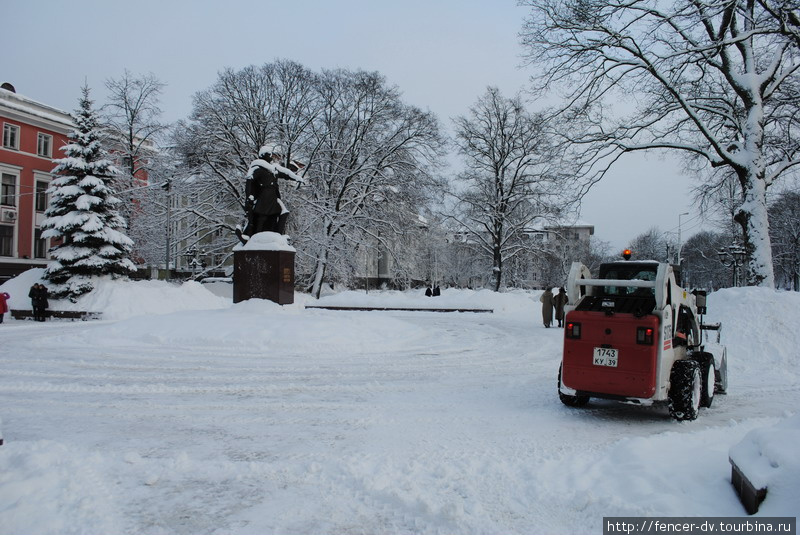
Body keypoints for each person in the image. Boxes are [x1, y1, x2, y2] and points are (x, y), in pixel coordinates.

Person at [237, 146, 304, 244]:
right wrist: (249, 197)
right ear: (263, 156)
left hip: (273, 196)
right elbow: (249, 182)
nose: (271, 157)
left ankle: (278, 237)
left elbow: (286, 173)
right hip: (264, 196)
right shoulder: (257, 168)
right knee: (262, 217)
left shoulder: (273, 168)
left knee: (283, 213)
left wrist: (297, 178)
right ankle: (255, 238)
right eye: (269, 155)